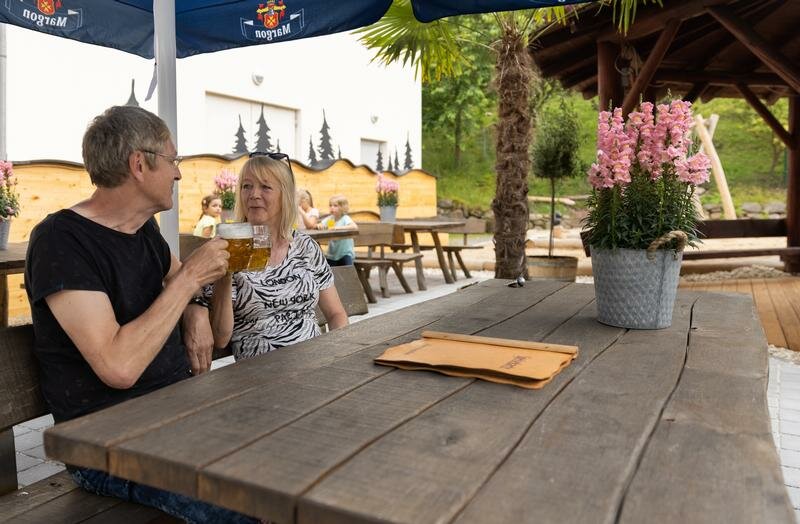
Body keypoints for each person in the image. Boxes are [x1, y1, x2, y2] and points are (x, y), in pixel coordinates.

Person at [24, 106, 259, 523]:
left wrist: (196, 308)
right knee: (254, 500)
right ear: (139, 163)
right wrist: (189, 283)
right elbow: (119, 367)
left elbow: (182, 286)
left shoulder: (142, 230)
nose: (179, 174)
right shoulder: (61, 240)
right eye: (173, 161)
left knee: (299, 449)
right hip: (109, 444)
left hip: (177, 418)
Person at [209, 154, 348, 360]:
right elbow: (220, 339)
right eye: (247, 186)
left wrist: (337, 357)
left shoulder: (305, 246)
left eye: (265, 187)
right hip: (260, 373)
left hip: (314, 363)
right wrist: (225, 276)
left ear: (285, 195)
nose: (254, 194)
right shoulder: (229, 248)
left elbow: (336, 315)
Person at [317, 194, 357, 266]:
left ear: (342, 208)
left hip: (345, 253)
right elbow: (321, 224)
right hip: (332, 254)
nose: (332, 208)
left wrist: (337, 228)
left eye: (335, 206)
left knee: (348, 271)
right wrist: (320, 226)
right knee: (329, 272)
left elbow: (354, 226)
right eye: (330, 205)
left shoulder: (345, 218)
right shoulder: (331, 219)